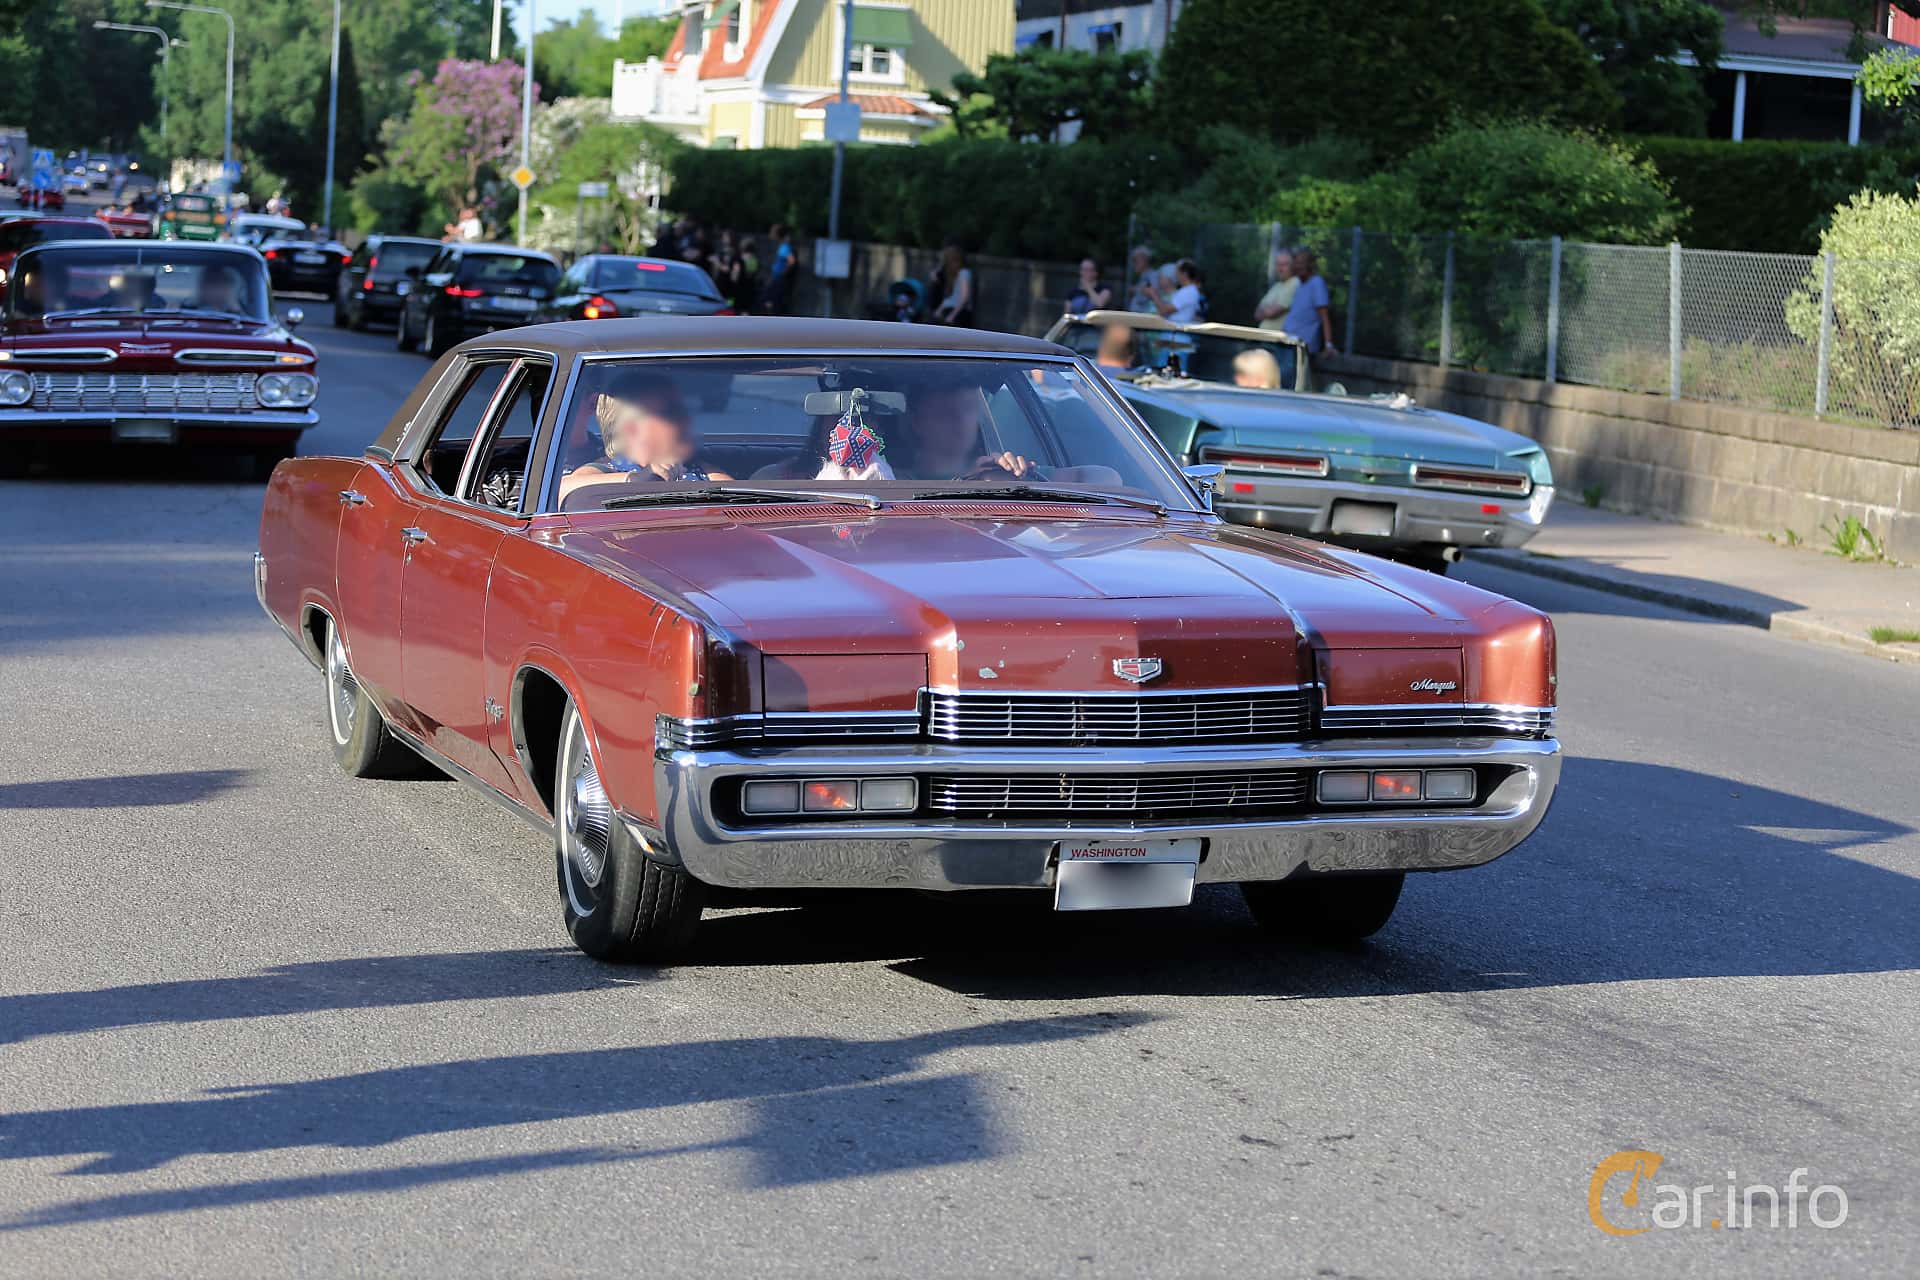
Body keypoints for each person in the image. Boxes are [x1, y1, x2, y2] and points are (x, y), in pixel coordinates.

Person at [557, 372, 733, 501]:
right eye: (671, 413)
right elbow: (563, 489)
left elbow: (738, 496)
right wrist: (637, 480)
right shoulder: (606, 469)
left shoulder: (699, 469)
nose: (686, 419)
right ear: (632, 429)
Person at [891, 376, 1035, 479]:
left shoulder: (991, 475)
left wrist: (1008, 479)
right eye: (945, 411)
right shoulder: (891, 482)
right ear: (917, 422)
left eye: (968, 408)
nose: (960, 419)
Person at [1280, 249, 1336, 385]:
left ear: (1310, 265)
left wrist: (1328, 344)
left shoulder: (1317, 283)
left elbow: (1324, 317)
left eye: (1301, 263)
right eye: (1296, 263)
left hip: (1301, 347)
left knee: (1290, 383)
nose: (1297, 266)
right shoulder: (1300, 285)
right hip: (1288, 343)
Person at [1147, 259, 1206, 325]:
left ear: (1184, 274)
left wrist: (1153, 294)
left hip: (1177, 330)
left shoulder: (1187, 292)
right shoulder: (1189, 290)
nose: (1175, 275)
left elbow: (1164, 310)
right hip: (1176, 329)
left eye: (1177, 272)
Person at [930, 242, 974, 327]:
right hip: (949, 308)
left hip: (958, 311)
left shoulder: (963, 273)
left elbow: (965, 297)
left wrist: (952, 315)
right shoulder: (955, 274)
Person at [1253, 249, 1297, 331]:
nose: (1280, 268)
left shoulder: (1295, 283)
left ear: (1293, 265)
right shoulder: (1277, 286)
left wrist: (1266, 309)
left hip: (1279, 337)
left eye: (1284, 264)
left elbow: (1271, 312)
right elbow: (1256, 314)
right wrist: (1269, 309)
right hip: (1264, 336)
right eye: (1278, 264)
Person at [760, 223, 796, 314]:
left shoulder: (784, 247)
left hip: (779, 280)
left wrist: (782, 274)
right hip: (777, 279)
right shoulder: (782, 246)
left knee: (774, 303)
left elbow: (792, 261)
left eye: (773, 233)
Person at [1125, 246, 1157, 313]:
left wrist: (1136, 289)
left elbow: (1155, 293)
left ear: (1145, 260)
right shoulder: (1142, 276)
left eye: (1136, 260)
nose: (1134, 264)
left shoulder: (1152, 276)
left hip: (1144, 315)